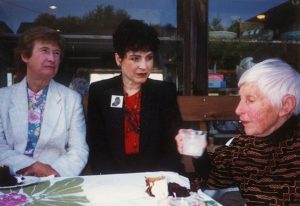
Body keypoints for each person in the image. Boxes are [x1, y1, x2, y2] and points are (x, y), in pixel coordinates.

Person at [176, 58, 300, 205]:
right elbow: (215, 177)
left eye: (251, 100)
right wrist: (198, 151)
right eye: (240, 98)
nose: (238, 110)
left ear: (286, 105)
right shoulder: (246, 143)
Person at [87, 19, 183, 174]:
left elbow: (172, 145)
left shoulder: (164, 92)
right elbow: (97, 144)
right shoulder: (100, 92)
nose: (144, 66)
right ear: (119, 59)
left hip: (156, 176)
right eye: (135, 58)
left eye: (149, 57)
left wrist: (156, 182)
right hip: (113, 177)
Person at [0, 26, 89, 177]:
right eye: (44, 50)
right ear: (25, 56)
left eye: (56, 53)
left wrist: (53, 172)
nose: (52, 58)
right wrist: (33, 167)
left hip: (56, 180)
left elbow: (79, 149)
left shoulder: (71, 99)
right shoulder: (3, 98)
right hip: (11, 179)